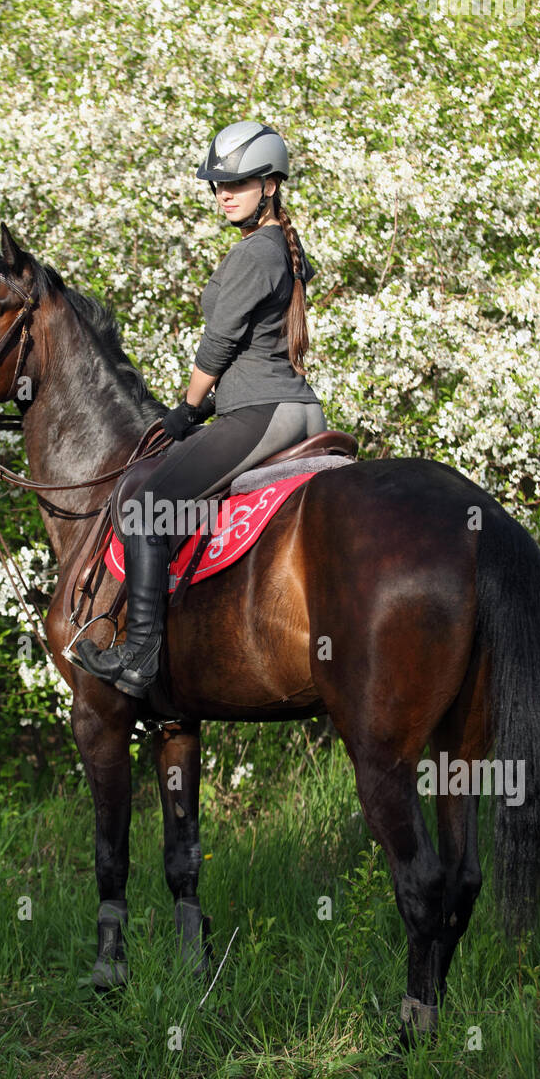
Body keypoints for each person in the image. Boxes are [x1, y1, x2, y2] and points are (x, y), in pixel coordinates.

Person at [72, 119, 327, 699]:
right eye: (217, 185)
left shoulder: (252, 255)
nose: (223, 194)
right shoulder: (282, 247)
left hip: (264, 412)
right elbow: (255, 347)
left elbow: (217, 346)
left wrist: (188, 409)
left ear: (270, 184)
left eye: (236, 183)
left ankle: (140, 653)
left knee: (149, 506)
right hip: (297, 409)